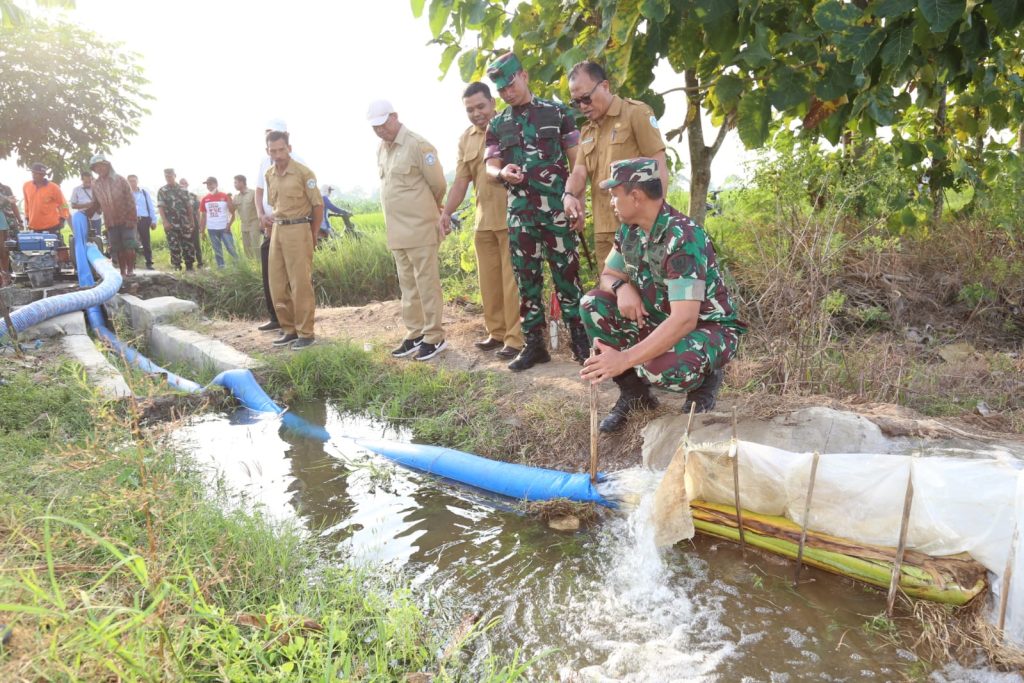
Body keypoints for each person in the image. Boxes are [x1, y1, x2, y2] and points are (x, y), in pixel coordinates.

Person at [579, 158, 746, 432]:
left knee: (659, 368)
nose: (611, 202)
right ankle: (635, 396)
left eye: (614, 195)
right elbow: (609, 275)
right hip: (658, 319)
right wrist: (622, 289)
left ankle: (706, 380)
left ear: (635, 196)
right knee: (592, 304)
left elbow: (684, 320)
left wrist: (624, 359)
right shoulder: (630, 230)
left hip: (708, 329)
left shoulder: (682, 237)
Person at [484, 52, 589, 371]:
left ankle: (581, 342)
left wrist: (578, 202)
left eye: (510, 84)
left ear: (524, 76)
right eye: (500, 89)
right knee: (526, 279)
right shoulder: (497, 124)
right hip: (520, 215)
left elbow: (578, 161)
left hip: (558, 211)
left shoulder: (557, 113)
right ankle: (534, 345)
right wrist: (502, 174)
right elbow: (490, 165)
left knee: (567, 275)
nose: (506, 92)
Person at [440, 81, 522, 360]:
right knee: (489, 282)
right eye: (470, 109)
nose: (476, 113)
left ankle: (515, 338)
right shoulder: (466, 139)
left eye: (480, 106)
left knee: (512, 283)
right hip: (483, 221)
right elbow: (461, 182)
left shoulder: (511, 127)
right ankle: (496, 332)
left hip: (513, 217)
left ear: (492, 103)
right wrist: (446, 212)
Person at [563, 61, 669, 266]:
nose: (583, 106)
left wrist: (656, 222)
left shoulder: (636, 113)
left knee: (645, 293)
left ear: (605, 86)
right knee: (610, 291)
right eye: (576, 102)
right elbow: (578, 172)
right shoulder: (587, 131)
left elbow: (659, 166)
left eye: (586, 98)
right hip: (604, 231)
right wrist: (568, 195)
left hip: (638, 226)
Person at [368, 99, 448, 361]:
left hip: (421, 227)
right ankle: (415, 333)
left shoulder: (417, 144)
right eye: (375, 127)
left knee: (427, 284)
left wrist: (429, 211)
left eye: (382, 125)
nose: (380, 131)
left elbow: (438, 184)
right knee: (408, 286)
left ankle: (435, 336)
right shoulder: (382, 149)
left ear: (394, 116)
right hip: (397, 232)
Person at [263, 130, 322, 350]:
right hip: (278, 229)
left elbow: (318, 205)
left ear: (289, 148)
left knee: (300, 283)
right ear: (267, 151)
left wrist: (313, 234)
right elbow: (274, 204)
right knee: (277, 283)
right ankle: (289, 329)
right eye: (273, 150)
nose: (277, 154)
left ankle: (306, 333)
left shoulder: (303, 173)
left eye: (281, 149)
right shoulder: (269, 174)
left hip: (299, 228)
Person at [255, 119, 303, 332]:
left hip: (291, 228)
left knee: (295, 276)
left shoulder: (299, 163)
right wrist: (261, 216)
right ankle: (277, 317)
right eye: (268, 136)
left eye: (275, 134)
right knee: (271, 273)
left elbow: (312, 201)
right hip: (270, 226)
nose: (273, 149)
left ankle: (300, 325)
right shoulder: (264, 164)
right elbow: (259, 192)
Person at [88, 154, 140, 277]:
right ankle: (122, 272)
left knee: (129, 246)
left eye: (102, 166)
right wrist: (87, 213)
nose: (99, 169)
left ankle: (130, 270)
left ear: (107, 166)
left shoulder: (120, 180)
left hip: (126, 219)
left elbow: (130, 200)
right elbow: (96, 203)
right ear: (94, 170)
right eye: (96, 167)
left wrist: (131, 218)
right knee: (118, 248)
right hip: (110, 221)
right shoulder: (95, 184)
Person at [157, 168, 198, 271]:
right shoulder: (162, 191)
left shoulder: (183, 189)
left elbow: (189, 207)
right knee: (174, 245)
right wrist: (165, 222)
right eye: (166, 176)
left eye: (170, 176)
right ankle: (177, 266)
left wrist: (192, 222)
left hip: (184, 222)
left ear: (175, 176)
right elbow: (161, 208)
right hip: (171, 223)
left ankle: (189, 266)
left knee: (188, 244)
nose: (168, 178)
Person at [199, 176, 238, 268]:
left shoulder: (224, 196)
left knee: (230, 248)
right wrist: (202, 231)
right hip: (212, 229)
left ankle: (238, 265)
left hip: (224, 228)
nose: (209, 186)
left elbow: (233, 211)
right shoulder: (205, 199)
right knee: (217, 250)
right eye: (207, 185)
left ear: (216, 184)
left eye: (211, 184)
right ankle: (221, 267)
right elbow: (203, 216)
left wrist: (229, 225)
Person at [22, 162, 70, 233]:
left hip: (52, 226)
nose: (34, 175)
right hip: (34, 226)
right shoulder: (26, 186)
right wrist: (27, 217)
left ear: (43, 175)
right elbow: (27, 203)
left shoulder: (54, 187)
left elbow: (64, 204)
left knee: (54, 244)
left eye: (37, 173)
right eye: (33, 173)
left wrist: (62, 218)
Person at [128, 174, 158, 269]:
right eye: (130, 181)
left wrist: (153, 220)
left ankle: (149, 262)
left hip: (144, 220)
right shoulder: (126, 194)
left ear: (137, 181)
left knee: (146, 242)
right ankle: (132, 263)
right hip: (131, 220)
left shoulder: (144, 193)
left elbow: (150, 207)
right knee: (132, 242)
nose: (132, 183)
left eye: (134, 180)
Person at [232, 175, 260, 259]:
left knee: (256, 245)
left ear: (242, 182)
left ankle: (260, 265)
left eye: (236, 182)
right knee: (246, 246)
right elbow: (232, 210)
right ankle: (251, 266)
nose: (234, 185)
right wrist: (228, 200)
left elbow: (260, 208)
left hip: (254, 223)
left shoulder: (253, 193)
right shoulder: (236, 197)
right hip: (244, 224)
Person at [69, 171, 103, 240]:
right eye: (86, 182)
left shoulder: (97, 189)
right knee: (84, 238)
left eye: (90, 181)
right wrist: (86, 205)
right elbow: (73, 205)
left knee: (97, 239)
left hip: (96, 218)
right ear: (82, 180)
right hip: (83, 217)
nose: (88, 183)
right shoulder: (76, 190)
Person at [179, 178, 204, 268]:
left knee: (196, 243)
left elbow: (197, 211)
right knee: (185, 244)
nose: (183, 185)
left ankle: (200, 262)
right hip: (181, 223)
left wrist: (200, 224)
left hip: (193, 222)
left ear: (188, 184)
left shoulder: (193, 196)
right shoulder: (176, 196)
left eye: (185, 183)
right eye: (181, 183)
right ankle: (189, 264)